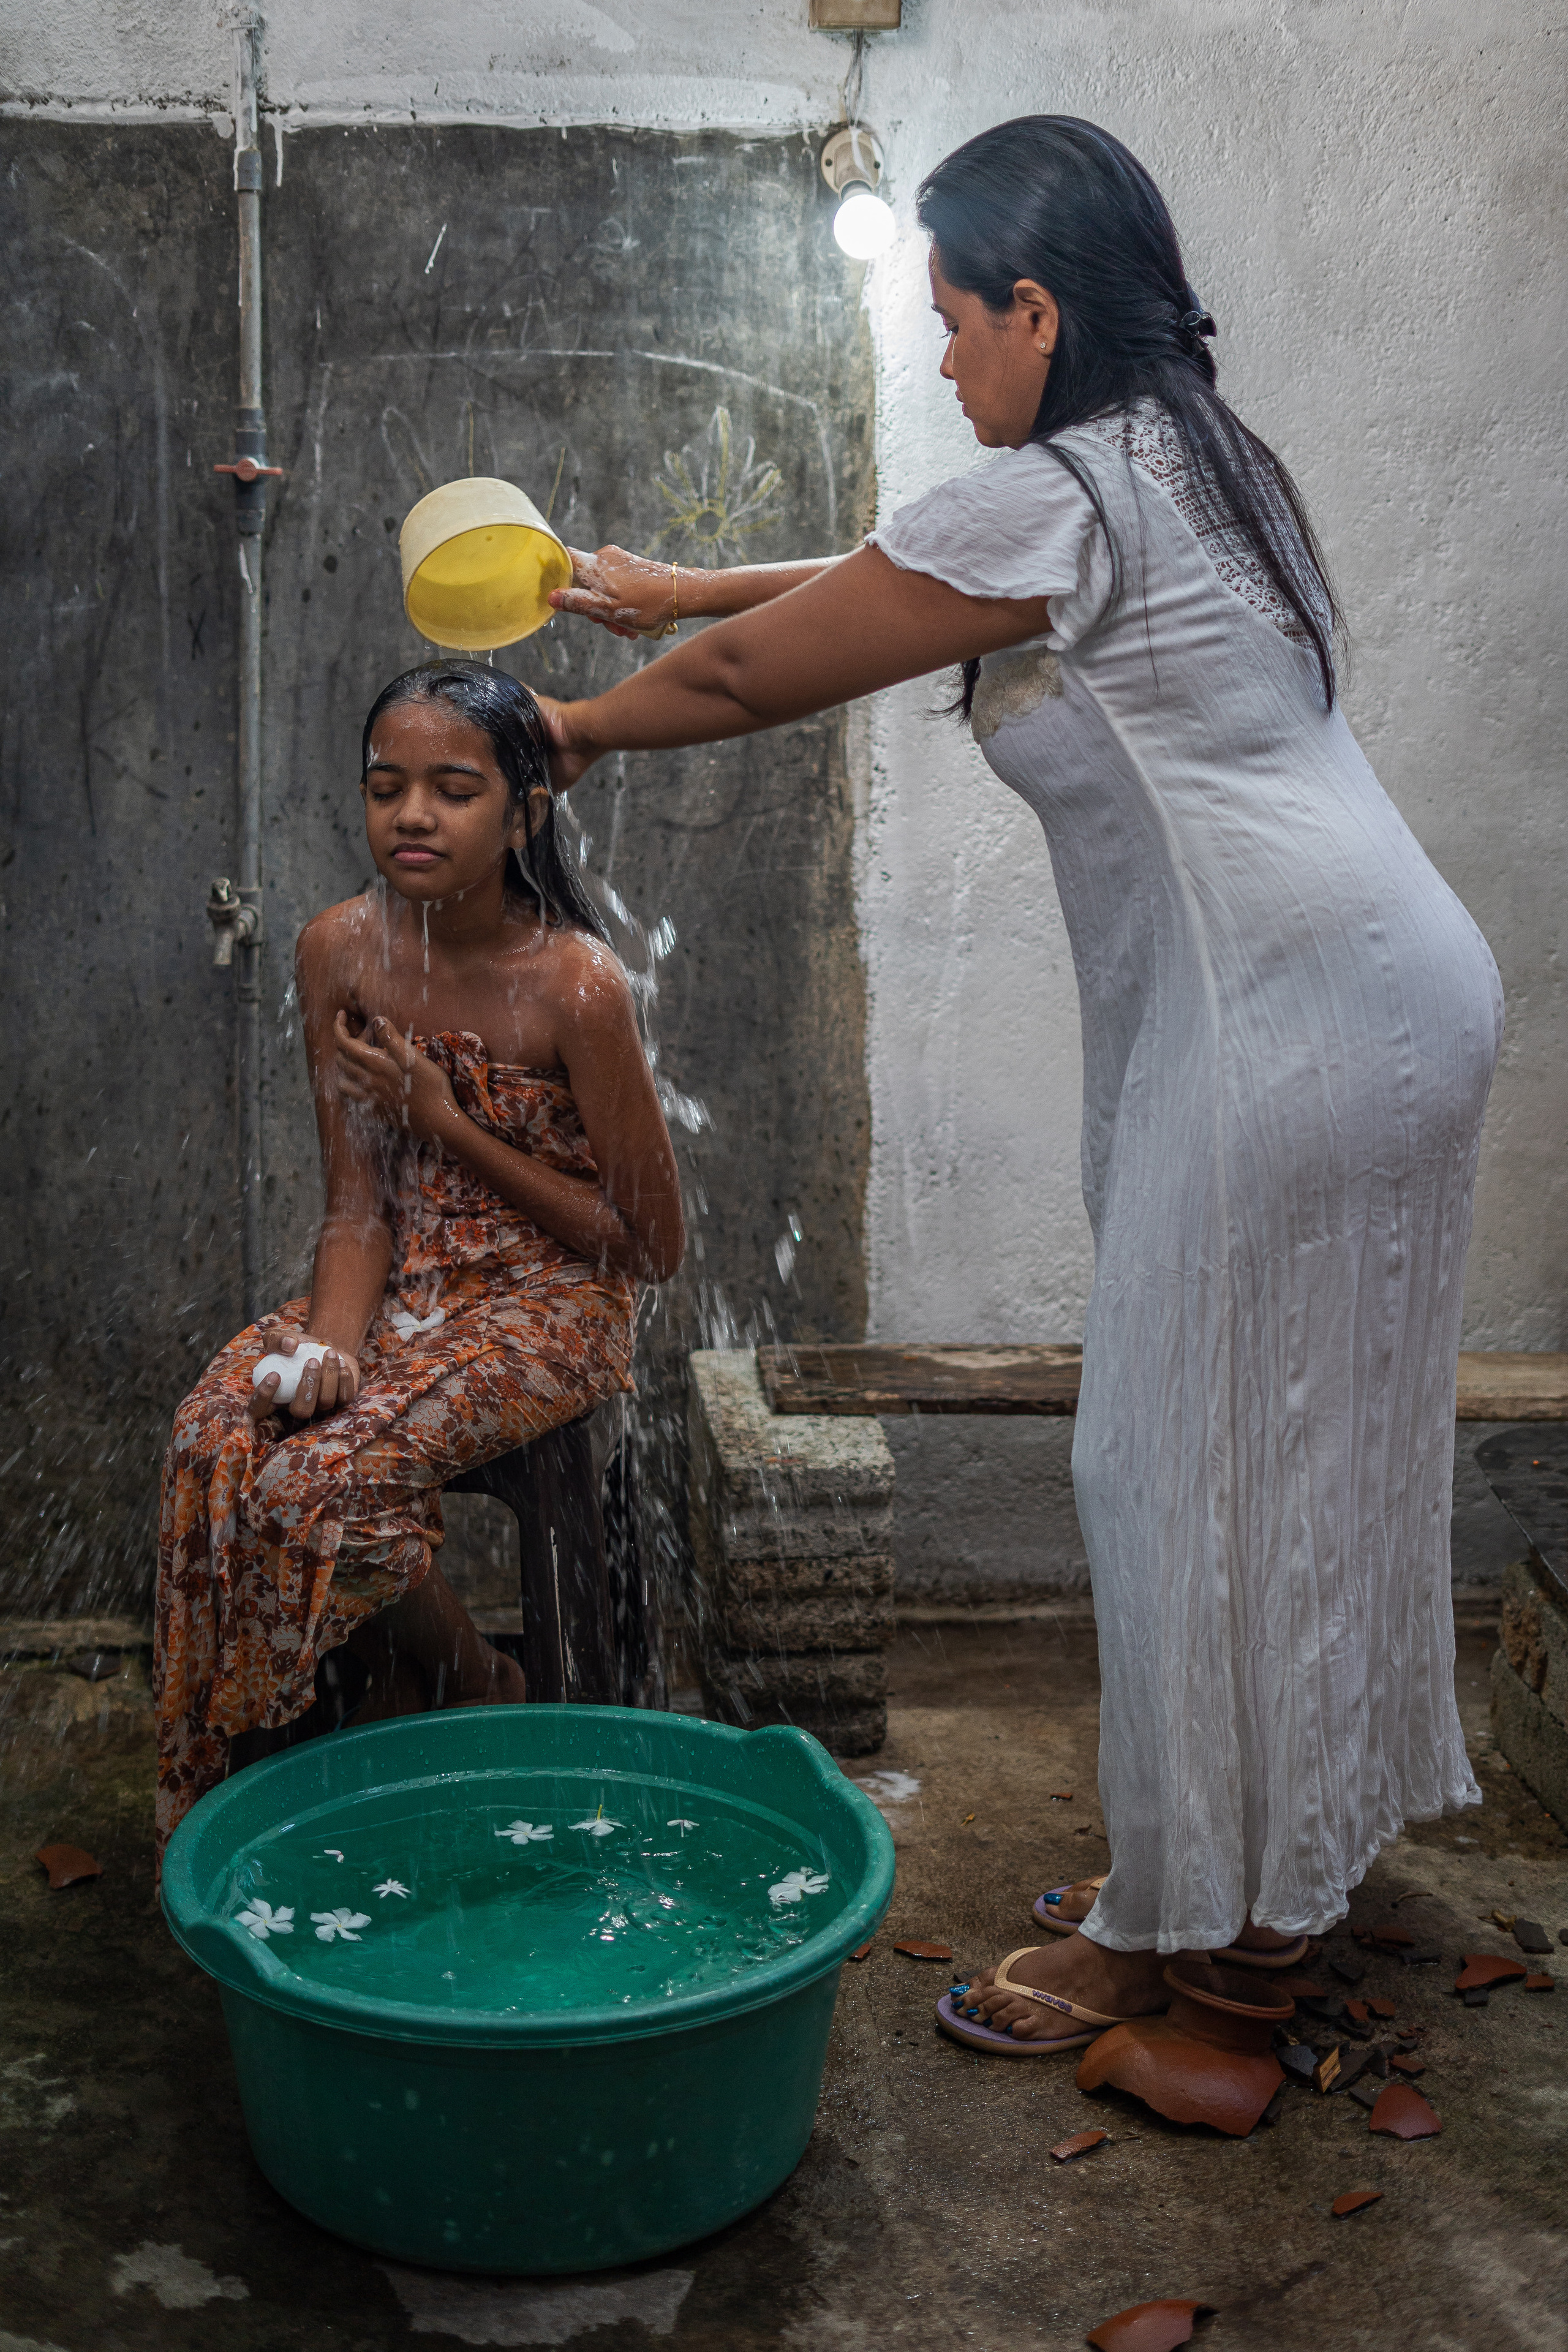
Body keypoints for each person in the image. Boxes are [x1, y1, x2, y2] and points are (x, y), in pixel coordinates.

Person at [540, 115, 1502, 2049]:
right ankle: (1260, 1878)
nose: (947, 354)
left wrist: (558, 728)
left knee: (1161, 1468)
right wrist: (680, 588)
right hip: (1399, 987)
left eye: (955, 319)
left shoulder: (1068, 489)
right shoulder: (1199, 463)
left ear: (1038, 312)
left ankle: (1187, 1943)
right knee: (1306, 1450)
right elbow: (903, 572)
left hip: (1287, 1018)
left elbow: (759, 680)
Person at [154, 663, 684, 1860]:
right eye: (385, 786)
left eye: (453, 789)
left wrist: (446, 1122)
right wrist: (333, 1348)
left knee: (310, 1489)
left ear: (523, 813)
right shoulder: (337, 950)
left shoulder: (576, 985)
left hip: (555, 1303)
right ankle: (280, 1753)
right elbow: (356, 1203)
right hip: (403, 1291)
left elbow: (650, 1246)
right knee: (213, 1442)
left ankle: (476, 1682)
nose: (412, 815)